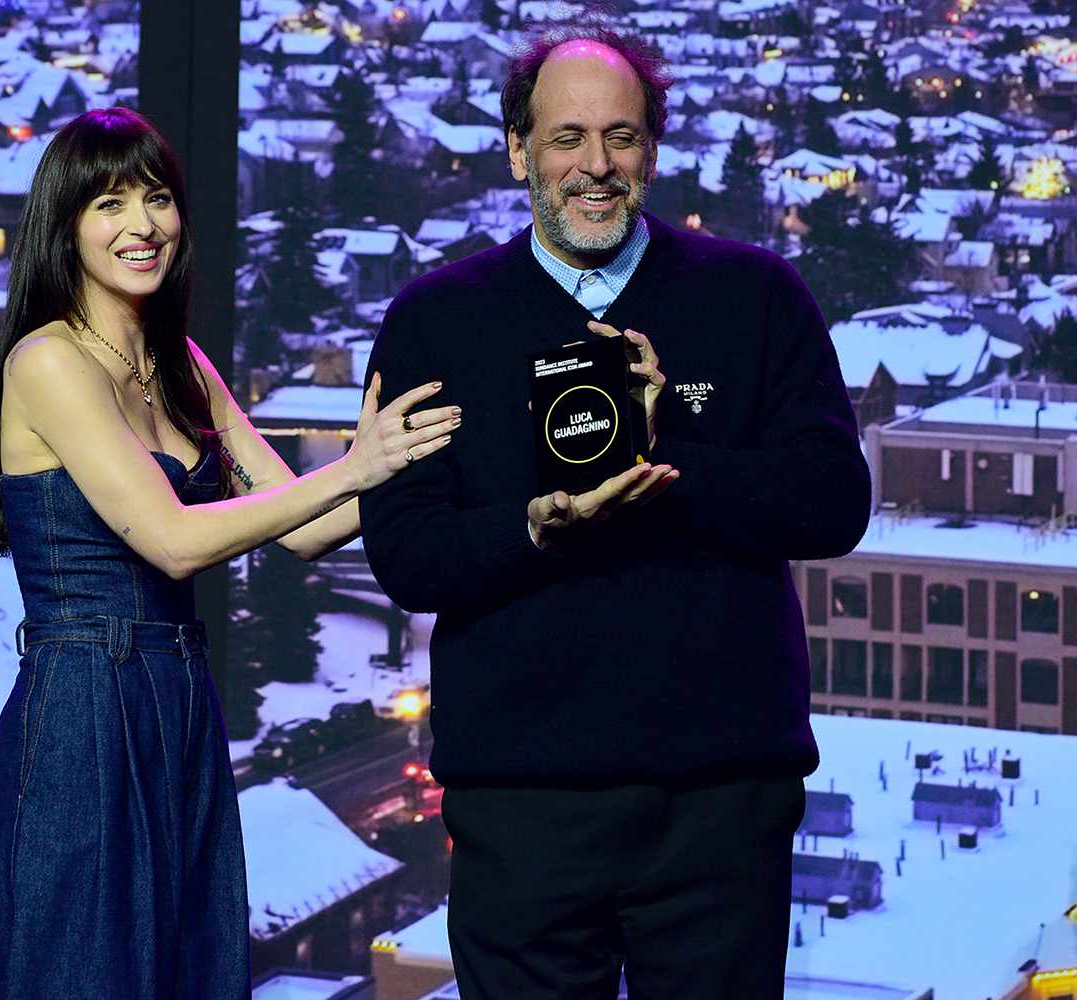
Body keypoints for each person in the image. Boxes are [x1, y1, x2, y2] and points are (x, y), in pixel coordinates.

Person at [358, 28, 872, 1000]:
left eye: (621, 136)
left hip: (722, 804)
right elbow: (409, 554)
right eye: (566, 138)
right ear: (518, 151)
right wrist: (538, 525)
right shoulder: (436, 319)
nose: (595, 165)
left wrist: (664, 456)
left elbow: (833, 501)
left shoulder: (754, 294)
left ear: (653, 148)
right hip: (521, 809)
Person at [0, 107, 458, 999]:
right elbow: (173, 541)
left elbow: (305, 528)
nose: (142, 225)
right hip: (82, 712)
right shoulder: (46, 362)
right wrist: (354, 465)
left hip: (180, 708)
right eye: (108, 203)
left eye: (157, 198)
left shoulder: (177, 360)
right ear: (65, 225)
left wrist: (408, 454)